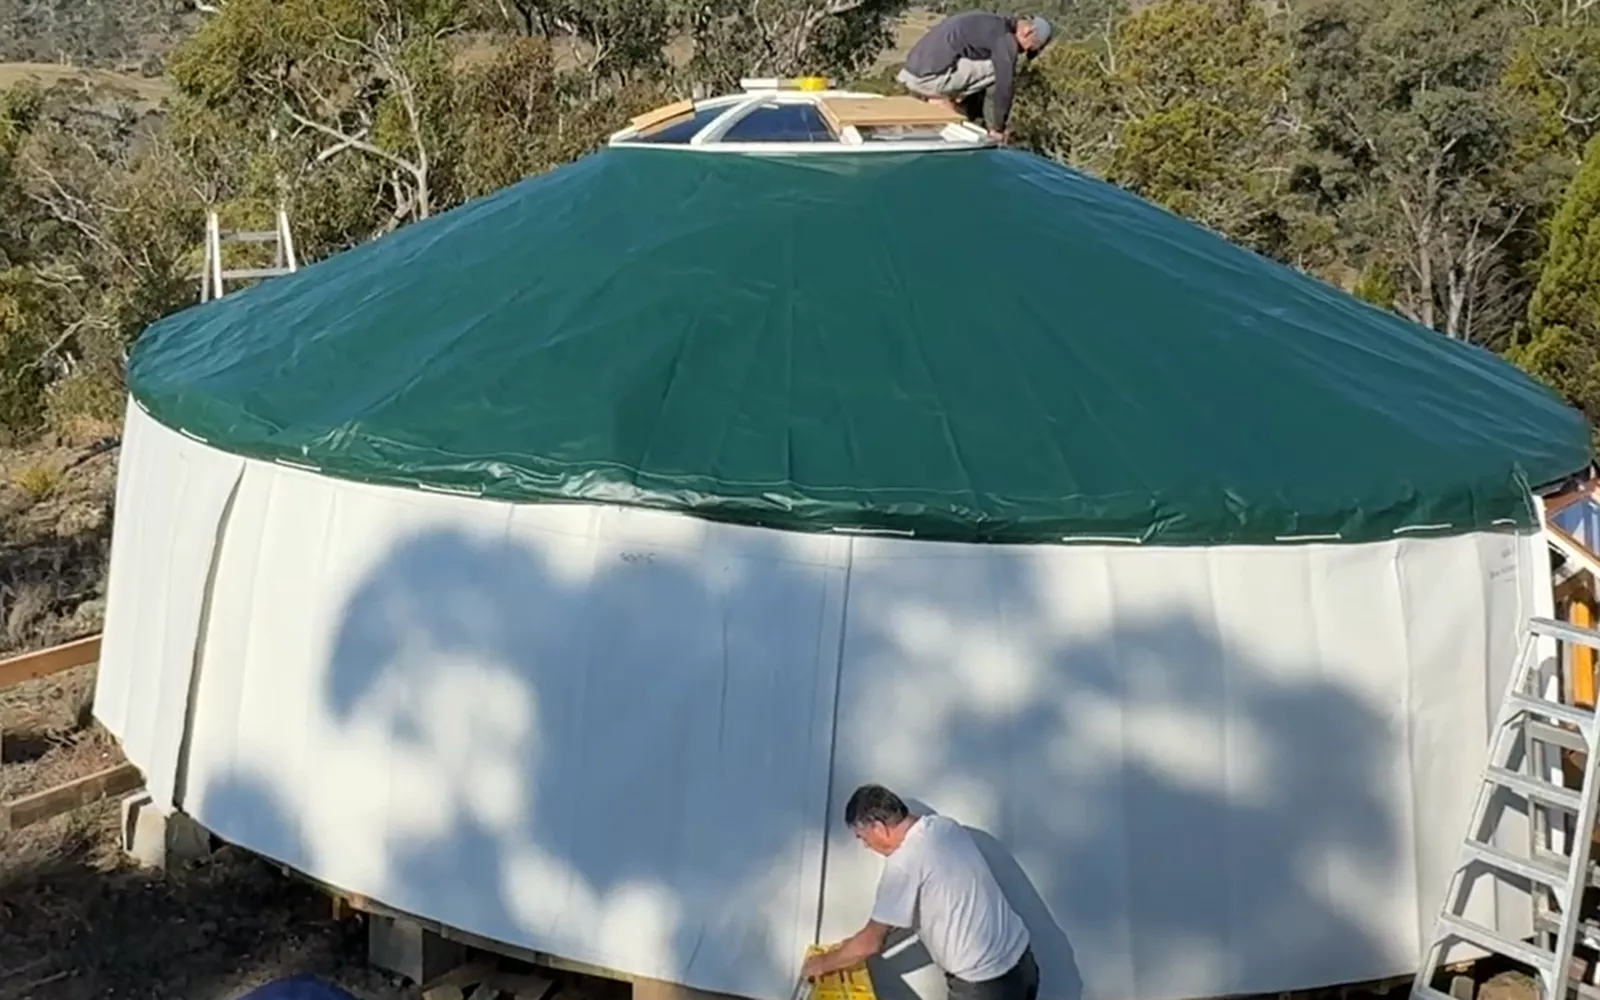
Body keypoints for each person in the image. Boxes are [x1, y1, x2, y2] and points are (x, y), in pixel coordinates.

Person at [800, 784, 1040, 1000]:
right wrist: (851, 945)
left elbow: (872, 942)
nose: (865, 845)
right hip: (1023, 962)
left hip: (984, 986)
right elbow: (933, 899)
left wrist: (821, 963)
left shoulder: (905, 862)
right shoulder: (945, 827)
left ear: (879, 827)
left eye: (863, 837)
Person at [896, 11, 1053, 144]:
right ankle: (983, 125)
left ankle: (954, 104)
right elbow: (1004, 88)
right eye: (1028, 48)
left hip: (913, 71)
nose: (1021, 52)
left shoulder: (990, 23)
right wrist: (998, 128)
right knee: (999, 68)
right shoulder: (1006, 40)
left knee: (993, 62)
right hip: (929, 79)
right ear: (1027, 32)